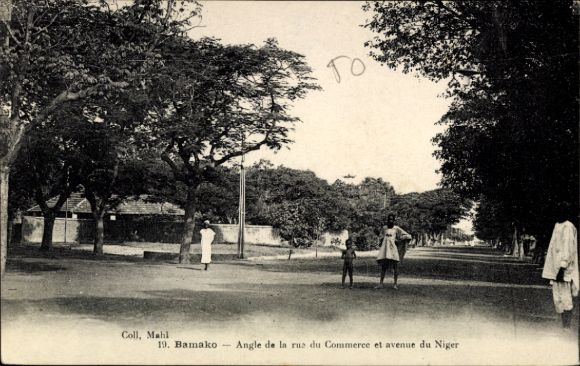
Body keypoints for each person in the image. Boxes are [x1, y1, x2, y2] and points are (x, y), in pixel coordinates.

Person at [541, 208, 579, 329]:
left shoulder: (568, 226)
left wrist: (562, 268)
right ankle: (564, 325)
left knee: (565, 298)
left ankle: (566, 326)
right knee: (557, 299)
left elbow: (568, 248)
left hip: (563, 269)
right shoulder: (557, 225)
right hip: (555, 268)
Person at [375, 214, 412, 290]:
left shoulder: (396, 228)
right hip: (385, 249)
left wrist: (400, 239)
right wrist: (381, 241)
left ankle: (395, 284)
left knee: (395, 266)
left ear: (394, 220)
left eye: (392, 219)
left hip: (393, 249)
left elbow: (408, 235)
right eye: (389, 219)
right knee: (383, 267)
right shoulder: (384, 228)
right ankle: (381, 284)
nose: (390, 221)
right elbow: (381, 237)